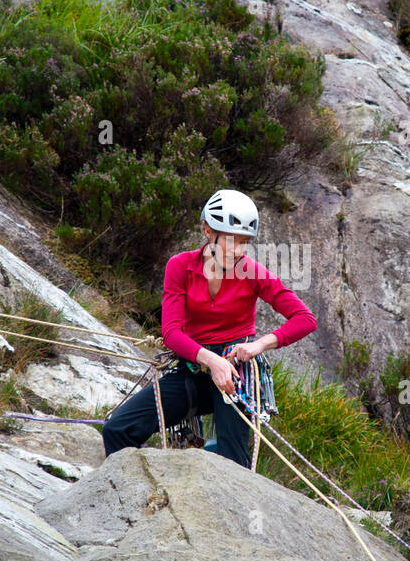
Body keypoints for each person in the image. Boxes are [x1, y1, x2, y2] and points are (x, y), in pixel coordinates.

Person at [101, 189, 317, 469]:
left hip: (236, 376)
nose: (236, 250)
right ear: (206, 230)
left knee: (233, 462)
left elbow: (304, 318)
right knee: (118, 429)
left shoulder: (253, 273)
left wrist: (258, 345)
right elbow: (172, 333)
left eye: (244, 243)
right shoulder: (180, 266)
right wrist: (212, 361)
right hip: (193, 369)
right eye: (229, 240)